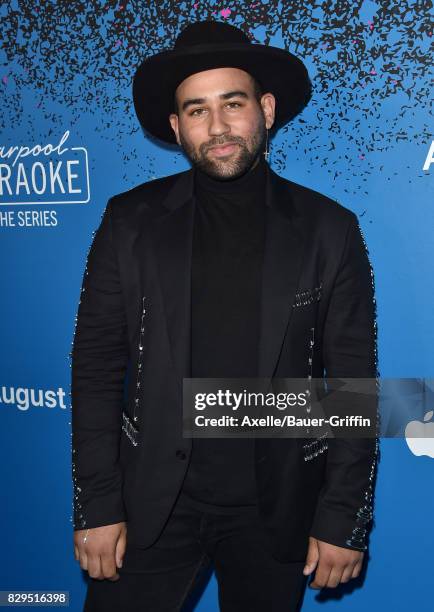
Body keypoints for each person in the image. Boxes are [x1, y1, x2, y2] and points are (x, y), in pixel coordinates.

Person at [71, 20, 379, 611]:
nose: (217, 128)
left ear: (264, 109)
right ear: (175, 125)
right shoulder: (128, 222)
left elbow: (352, 387)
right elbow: (94, 367)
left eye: (232, 104)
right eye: (196, 110)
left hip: (277, 507)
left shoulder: (328, 229)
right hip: (150, 503)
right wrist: (98, 505)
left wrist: (344, 517)